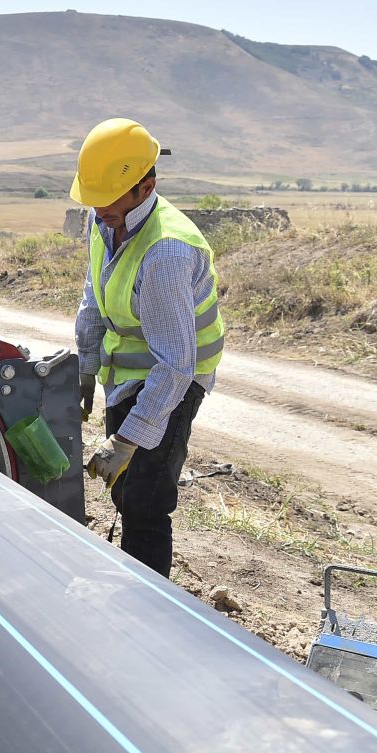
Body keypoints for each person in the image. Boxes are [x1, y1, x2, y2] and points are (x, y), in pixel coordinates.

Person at [71, 118, 225, 578]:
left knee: (146, 501)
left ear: (146, 187)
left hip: (174, 380)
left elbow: (176, 366)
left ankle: (150, 611)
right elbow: (93, 299)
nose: (99, 211)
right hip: (128, 374)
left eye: (108, 200)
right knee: (124, 486)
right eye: (93, 199)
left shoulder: (166, 253)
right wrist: (85, 366)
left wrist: (127, 439)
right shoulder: (104, 221)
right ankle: (129, 580)